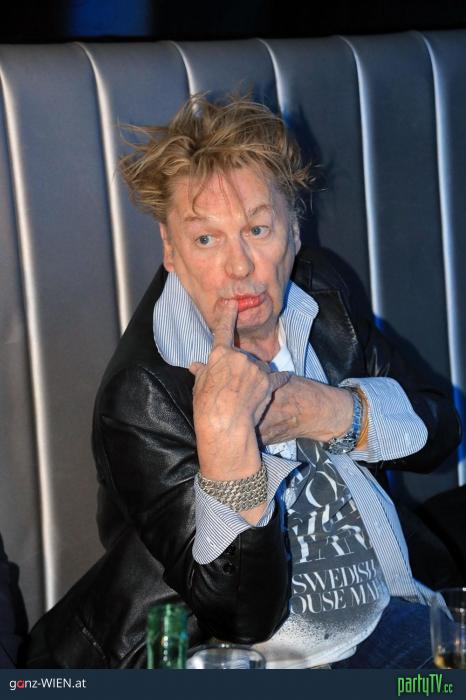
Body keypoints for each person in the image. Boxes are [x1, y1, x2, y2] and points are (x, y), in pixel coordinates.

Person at [26, 94, 461, 669]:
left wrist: (334, 412)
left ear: (294, 233)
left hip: (382, 614)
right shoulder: (145, 392)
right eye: (206, 239)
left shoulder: (324, 297)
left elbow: (440, 434)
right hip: (246, 657)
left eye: (257, 229)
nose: (239, 266)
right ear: (171, 249)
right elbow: (238, 616)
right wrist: (228, 448)